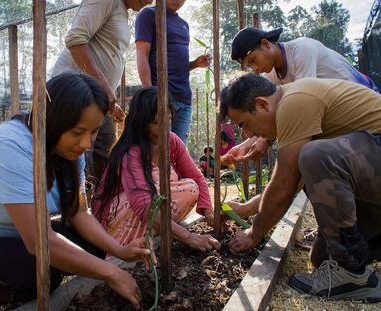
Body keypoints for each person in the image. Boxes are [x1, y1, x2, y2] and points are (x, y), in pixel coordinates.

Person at [0, 74, 150, 310]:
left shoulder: (69, 153)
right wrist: (111, 273)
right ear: (53, 121)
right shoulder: (10, 149)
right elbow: (39, 241)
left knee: (92, 246)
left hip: (9, 235)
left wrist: (119, 250)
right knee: (37, 272)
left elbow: (80, 214)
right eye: (77, 132)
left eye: (93, 132)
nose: (86, 143)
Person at [220, 73, 381, 301]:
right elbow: (293, 182)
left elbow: (285, 183)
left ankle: (353, 274)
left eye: (244, 124)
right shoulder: (293, 102)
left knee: (315, 155)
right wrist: (247, 209)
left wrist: (254, 233)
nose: (250, 135)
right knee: (322, 258)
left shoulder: (294, 101)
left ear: (261, 104)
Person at [223, 27, 380, 166]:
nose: (255, 69)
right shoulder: (271, 76)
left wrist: (265, 140)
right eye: (250, 66)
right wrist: (246, 145)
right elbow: (267, 115)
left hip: (366, 110)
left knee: (309, 156)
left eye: (253, 60)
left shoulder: (302, 50)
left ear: (265, 44)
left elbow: (302, 108)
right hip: (344, 125)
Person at [91, 87, 220, 252]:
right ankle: (123, 248)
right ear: (141, 123)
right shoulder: (131, 153)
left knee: (191, 187)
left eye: (168, 119)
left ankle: (160, 229)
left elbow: (198, 178)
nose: (164, 128)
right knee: (142, 201)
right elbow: (143, 207)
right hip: (120, 217)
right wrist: (189, 237)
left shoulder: (172, 141)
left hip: (150, 212)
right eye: (156, 123)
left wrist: (209, 214)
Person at [52, 0, 152, 181]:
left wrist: (110, 104)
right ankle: (76, 203)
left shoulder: (121, 11)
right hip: (75, 94)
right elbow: (76, 39)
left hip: (96, 99)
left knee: (106, 154)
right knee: (80, 157)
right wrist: (105, 87)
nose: (150, 1)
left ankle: (101, 205)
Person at [135, 0, 211, 145]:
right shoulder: (148, 15)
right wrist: (150, 93)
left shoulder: (184, 24)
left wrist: (195, 64)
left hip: (184, 99)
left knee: (179, 152)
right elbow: (142, 54)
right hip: (161, 97)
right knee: (157, 151)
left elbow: (176, 66)